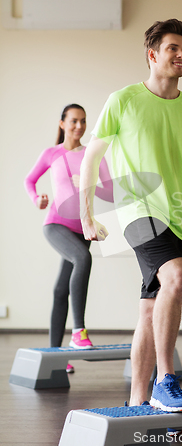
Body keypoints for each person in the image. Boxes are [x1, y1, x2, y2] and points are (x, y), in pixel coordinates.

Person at [79, 19, 182, 411]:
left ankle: (135, 402)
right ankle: (166, 380)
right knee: (177, 276)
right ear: (153, 55)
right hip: (136, 209)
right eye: (173, 49)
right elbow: (91, 157)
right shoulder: (124, 99)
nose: (181, 56)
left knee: (151, 307)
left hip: (177, 217)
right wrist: (87, 215)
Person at [24, 104, 113, 372]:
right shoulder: (51, 154)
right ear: (62, 123)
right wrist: (36, 199)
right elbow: (29, 181)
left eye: (83, 121)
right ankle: (78, 332)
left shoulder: (92, 155)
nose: (79, 126)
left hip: (82, 227)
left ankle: (55, 358)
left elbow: (110, 192)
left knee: (61, 289)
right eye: (74, 121)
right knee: (82, 258)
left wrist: (90, 186)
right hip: (55, 224)